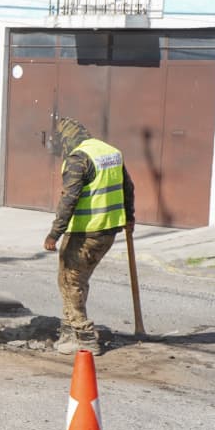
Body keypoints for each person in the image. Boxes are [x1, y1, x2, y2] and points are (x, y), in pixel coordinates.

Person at [43, 117, 136, 356]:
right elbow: (128, 187)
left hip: (86, 231)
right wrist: (129, 217)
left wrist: (55, 233)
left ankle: (84, 336)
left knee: (70, 280)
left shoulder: (78, 159)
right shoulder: (111, 152)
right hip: (108, 230)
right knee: (74, 278)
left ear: (67, 139)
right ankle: (68, 331)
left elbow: (69, 199)